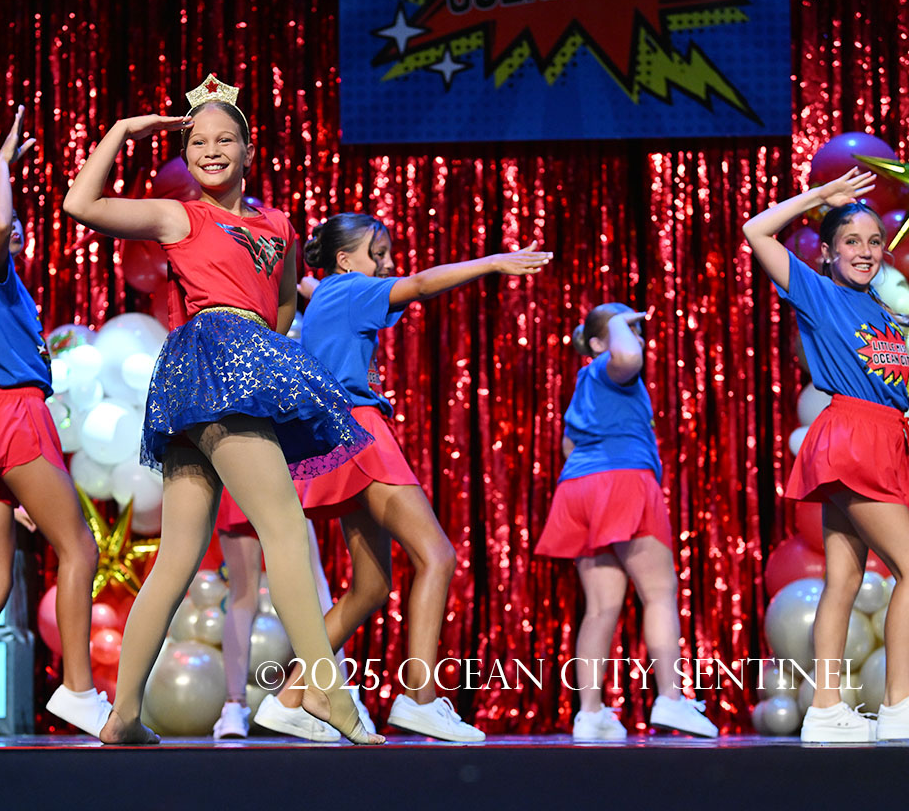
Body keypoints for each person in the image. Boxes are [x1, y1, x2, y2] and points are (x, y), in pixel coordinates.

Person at [63, 74, 382, 745]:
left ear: (247, 148)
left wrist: (262, 355)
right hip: (209, 370)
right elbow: (79, 203)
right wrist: (122, 131)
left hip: (234, 370)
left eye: (224, 139)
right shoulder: (181, 216)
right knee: (285, 530)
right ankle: (329, 696)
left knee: (178, 557)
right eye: (198, 142)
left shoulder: (278, 225)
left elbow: (283, 303)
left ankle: (123, 716)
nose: (211, 151)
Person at [258, 213, 548, 742]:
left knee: (370, 587)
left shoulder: (326, 294)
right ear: (345, 261)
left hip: (335, 437)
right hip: (361, 431)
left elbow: (327, 293)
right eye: (378, 254)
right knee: (437, 556)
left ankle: (290, 697)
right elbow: (419, 286)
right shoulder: (350, 289)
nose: (388, 263)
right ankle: (420, 698)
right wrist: (492, 262)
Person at [743, 167, 909, 741]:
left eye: (874, 241)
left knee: (843, 580)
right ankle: (899, 701)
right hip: (853, 440)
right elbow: (755, 230)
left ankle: (824, 709)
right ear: (828, 252)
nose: (865, 251)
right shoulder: (820, 294)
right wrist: (818, 197)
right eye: (851, 241)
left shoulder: (877, 307)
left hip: (879, 439)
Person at [0, 105, 106, 742]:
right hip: (13, 417)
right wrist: (2, 163)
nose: (8, 222)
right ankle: (80, 691)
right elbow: (2, 223)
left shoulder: (5, 290)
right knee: (80, 549)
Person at [536, 305, 718, 741]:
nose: (636, 338)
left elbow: (568, 445)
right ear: (599, 342)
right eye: (628, 330)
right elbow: (628, 357)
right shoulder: (611, 367)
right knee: (659, 593)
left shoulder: (586, 382)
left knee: (601, 608)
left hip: (578, 488)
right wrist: (620, 323)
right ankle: (671, 698)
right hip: (623, 480)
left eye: (637, 330)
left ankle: (590, 714)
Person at [211, 491, 370, 741]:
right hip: (279, 484)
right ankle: (346, 695)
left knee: (242, 595)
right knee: (313, 583)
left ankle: (234, 707)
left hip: (236, 488)